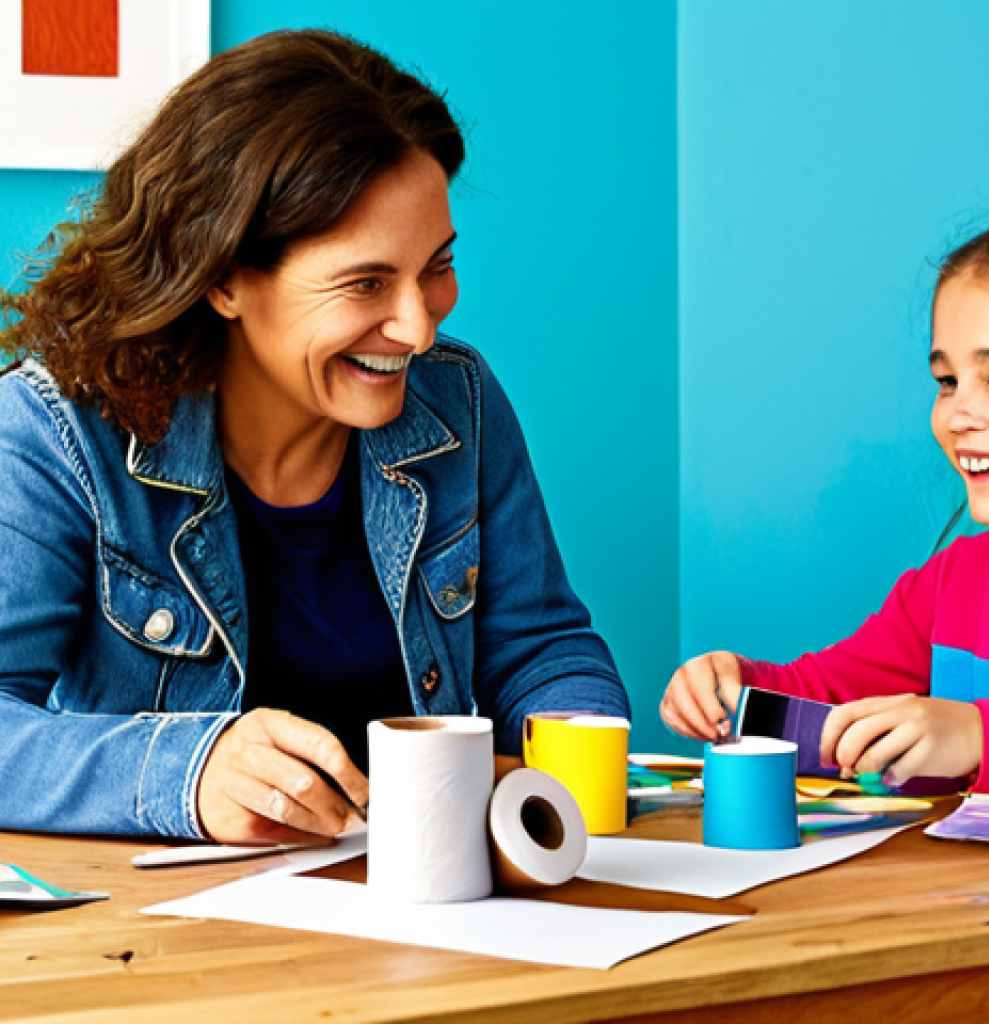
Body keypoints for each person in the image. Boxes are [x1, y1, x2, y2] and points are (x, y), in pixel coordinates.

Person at [0, 29, 628, 844]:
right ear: (221, 275)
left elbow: (540, 645)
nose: (419, 329)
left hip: (422, 894)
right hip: (171, 933)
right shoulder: (55, 433)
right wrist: (191, 774)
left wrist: (579, 758)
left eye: (436, 265)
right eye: (366, 283)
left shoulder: (459, 401)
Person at [662, 213, 989, 799]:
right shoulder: (946, 587)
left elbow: (973, 736)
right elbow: (830, 703)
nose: (958, 416)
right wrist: (736, 688)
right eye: (947, 380)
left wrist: (983, 736)